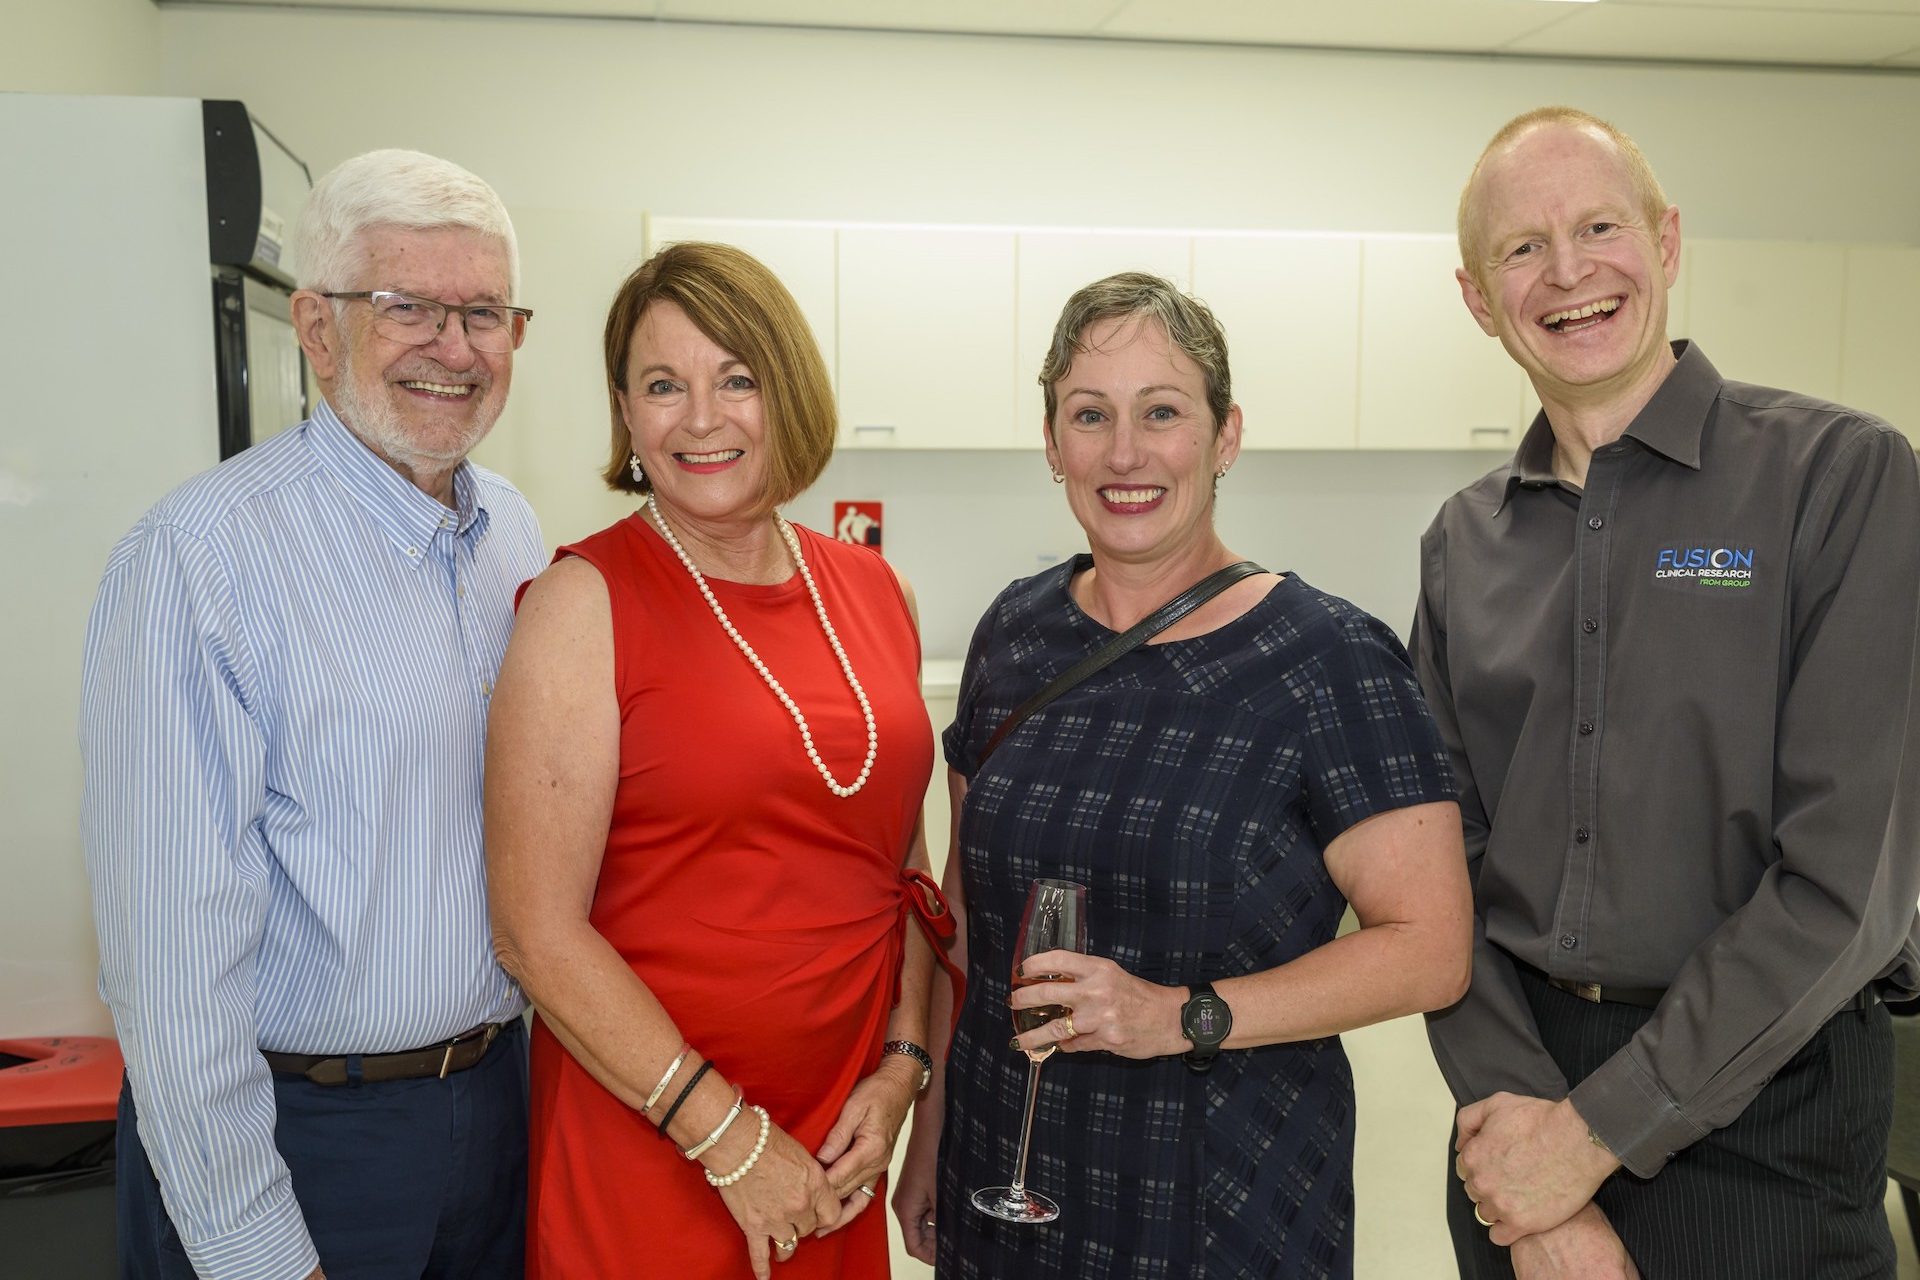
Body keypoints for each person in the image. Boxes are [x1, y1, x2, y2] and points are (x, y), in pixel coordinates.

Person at [1416, 105, 1920, 1280]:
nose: (1570, 271)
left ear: (1668, 241)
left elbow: (1847, 888)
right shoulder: (1465, 541)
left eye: (1599, 226)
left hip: (1771, 1108)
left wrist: (1588, 1141)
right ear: (1480, 299)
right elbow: (1441, 870)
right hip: (1516, 1095)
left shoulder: (1841, 482)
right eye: (1522, 248)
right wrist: (1532, 1174)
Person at [893, 272, 1474, 1278]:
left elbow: (1432, 947)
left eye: (1162, 411)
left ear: (1225, 436)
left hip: (1216, 1196)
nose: (1126, 452)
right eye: (1091, 414)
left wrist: (1179, 1014)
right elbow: (965, 918)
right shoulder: (1013, 636)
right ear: (1052, 442)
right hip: (1010, 1176)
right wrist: (933, 1132)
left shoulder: (1325, 657)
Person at [81, 149, 542, 1280]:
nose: (454, 344)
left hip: (497, 1113)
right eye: (406, 306)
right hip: (294, 1136)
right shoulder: (200, 559)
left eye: (483, 310)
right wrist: (253, 1251)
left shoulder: (519, 537)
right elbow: (171, 967)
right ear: (317, 327)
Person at [486, 241, 951, 1280]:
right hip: (653, 1142)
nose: (701, 417)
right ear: (625, 411)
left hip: (834, 1147)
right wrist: (727, 1138)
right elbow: (531, 929)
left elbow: (902, 873)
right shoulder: (582, 605)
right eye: (663, 384)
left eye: (736, 377)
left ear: (786, 387)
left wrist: (903, 1064)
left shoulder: (880, 593)